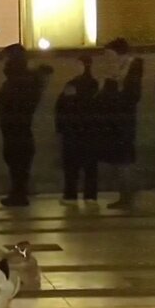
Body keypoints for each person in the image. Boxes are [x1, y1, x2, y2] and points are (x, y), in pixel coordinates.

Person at [0, 44, 52, 207]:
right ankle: (18, 192)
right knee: (18, 162)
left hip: (16, 128)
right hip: (18, 128)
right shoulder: (21, 79)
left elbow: (10, 102)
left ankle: (19, 193)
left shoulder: (18, 80)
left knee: (17, 161)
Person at [94, 38, 143, 210]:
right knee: (120, 161)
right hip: (115, 122)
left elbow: (130, 97)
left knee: (124, 160)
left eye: (109, 54)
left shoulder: (129, 71)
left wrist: (112, 85)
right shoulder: (115, 72)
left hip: (122, 122)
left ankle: (127, 194)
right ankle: (125, 194)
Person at [55, 55, 100, 204]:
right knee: (90, 165)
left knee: (71, 165)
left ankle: (71, 195)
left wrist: (60, 127)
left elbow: (61, 106)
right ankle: (90, 195)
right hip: (91, 130)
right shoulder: (95, 85)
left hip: (72, 130)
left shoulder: (72, 85)